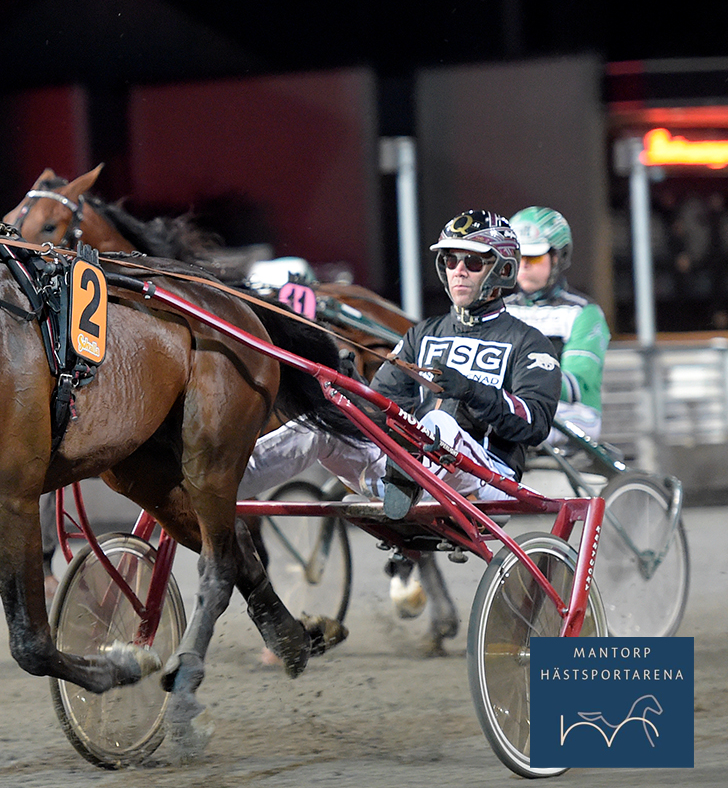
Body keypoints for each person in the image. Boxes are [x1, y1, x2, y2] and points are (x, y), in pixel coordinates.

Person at [236, 210, 562, 615]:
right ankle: (224, 484)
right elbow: (381, 409)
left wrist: (472, 391)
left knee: (439, 423)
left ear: (502, 270)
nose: (458, 271)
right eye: (449, 260)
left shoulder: (529, 344)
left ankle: (405, 482)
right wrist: (351, 392)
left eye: (473, 262)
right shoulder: (421, 335)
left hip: (485, 482)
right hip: (410, 472)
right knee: (321, 424)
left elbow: (535, 423)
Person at [504, 206, 610, 447]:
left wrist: (511, 380)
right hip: (513, 407)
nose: (524, 265)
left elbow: (577, 385)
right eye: (519, 256)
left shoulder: (584, 312)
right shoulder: (501, 309)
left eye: (534, 256)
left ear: (557, 257)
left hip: (574, 414)